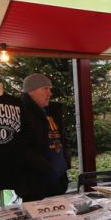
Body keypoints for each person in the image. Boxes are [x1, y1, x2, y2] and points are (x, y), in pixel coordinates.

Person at [16, 73, 71, 202]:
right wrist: (47, 169)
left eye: (50, 89)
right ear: (31, 91)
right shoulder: (21, 112)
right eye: (45, 89)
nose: (50, 93)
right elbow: (23, 148)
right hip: (35, 183)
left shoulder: (52, 110)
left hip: (58, 179)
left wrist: (65, 162)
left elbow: (63, 139)